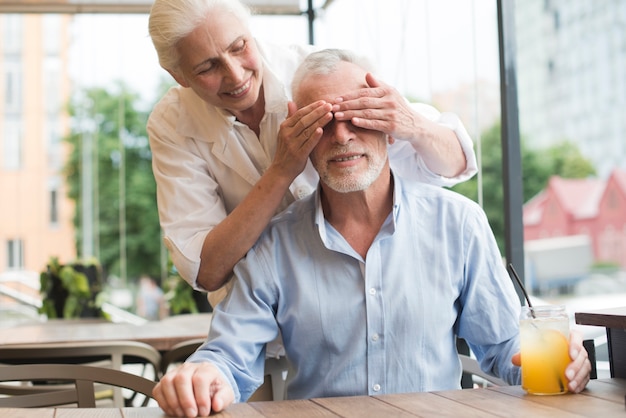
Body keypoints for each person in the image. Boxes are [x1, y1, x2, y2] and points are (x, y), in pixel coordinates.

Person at [152, 49, 591, 417]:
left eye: (358, 116)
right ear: (297, 133)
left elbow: (505, 348)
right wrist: (203, 376)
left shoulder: (458, 224)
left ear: (389, 121)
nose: (341, 135)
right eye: (320, 122)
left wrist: (564, 364)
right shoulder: (273, 244)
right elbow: (228, 357)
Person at [147, 0, 478, 300]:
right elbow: (206, 270)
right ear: (178, 75)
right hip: (263, 330)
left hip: (375, 300)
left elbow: (456, 163)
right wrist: (281, 171)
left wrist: (414, 124)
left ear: (250, 32)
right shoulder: (172, 124)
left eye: (239, 47)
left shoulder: (318, 72)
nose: (235, 76)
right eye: (207, 68)